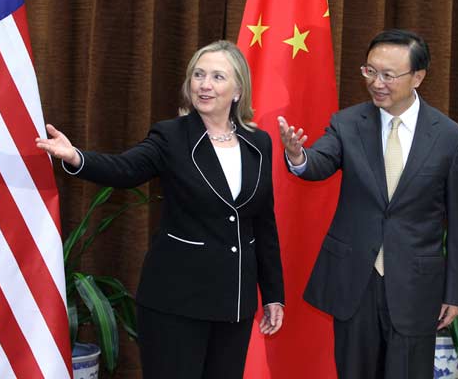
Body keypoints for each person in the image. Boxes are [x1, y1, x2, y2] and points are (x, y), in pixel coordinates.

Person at [36, 40, 285, 379]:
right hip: (176, 302)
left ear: (238, 89)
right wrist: (77, 158)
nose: (205, 85)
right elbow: (125, 169)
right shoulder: (171, 136)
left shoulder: (259, 144)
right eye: (198, 75)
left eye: (216, 76)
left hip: (234, 305)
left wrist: (273, 295)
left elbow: (263, 224)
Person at [278, 29, 458, 378]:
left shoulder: (450, 137)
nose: (377, 83)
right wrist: (299, 156)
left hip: (415, 283)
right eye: (370, 71)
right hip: (357, 280)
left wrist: (455, 293)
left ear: (418, 76)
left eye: (388, 75)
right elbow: (320, 162)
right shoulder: (348, 123)